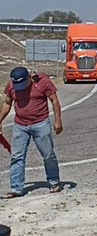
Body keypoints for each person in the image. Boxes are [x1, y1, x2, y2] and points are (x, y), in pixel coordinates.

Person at [0, 67, 63, 198]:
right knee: (17, 156)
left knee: (48, 154)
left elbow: (54, 100)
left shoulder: (42, 81)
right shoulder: (12, 85)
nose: (20, 87)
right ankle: (16, 188)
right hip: (20, 125)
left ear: (29, 77)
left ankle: (54, 181)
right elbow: (7, 103)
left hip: (40, 123)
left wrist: (58, 121)